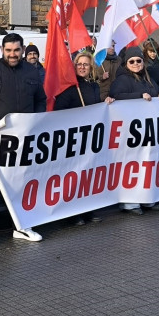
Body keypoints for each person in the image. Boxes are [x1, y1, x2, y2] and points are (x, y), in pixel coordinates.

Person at [0, 33, 46, 247]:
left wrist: (36, 123)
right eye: (8, 50)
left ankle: (21, 226)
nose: (12, 54)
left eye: (16, 50)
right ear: (2, 50)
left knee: (23, 182)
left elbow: (41, 100)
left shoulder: (31, 71)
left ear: (22, 50)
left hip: (25, 138)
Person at [53, 51, 109, 225]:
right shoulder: (69, 88)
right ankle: (72, 213)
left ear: (91, 67)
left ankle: (88, 209)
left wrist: (106, 103)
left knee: (87, 175)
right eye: (79, 64)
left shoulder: (94, 86)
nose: (82, 67)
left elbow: (96, 107)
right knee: (73, 175)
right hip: (73, 138)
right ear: (74, 66)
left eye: (86, 64)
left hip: (89, 137)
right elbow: (58, 111)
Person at [109, 46, 159, 213]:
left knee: (146, 163)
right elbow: (116, 96)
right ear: (126, 63)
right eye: (132, 61)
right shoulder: (122, 79)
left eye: (138, 60)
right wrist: (139, 96)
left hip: (147, 130)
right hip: (130, 129)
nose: (136, 64)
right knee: (130, 165)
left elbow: (155, 92)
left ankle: (146, 197)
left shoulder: (148, 78)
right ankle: (129, 201)